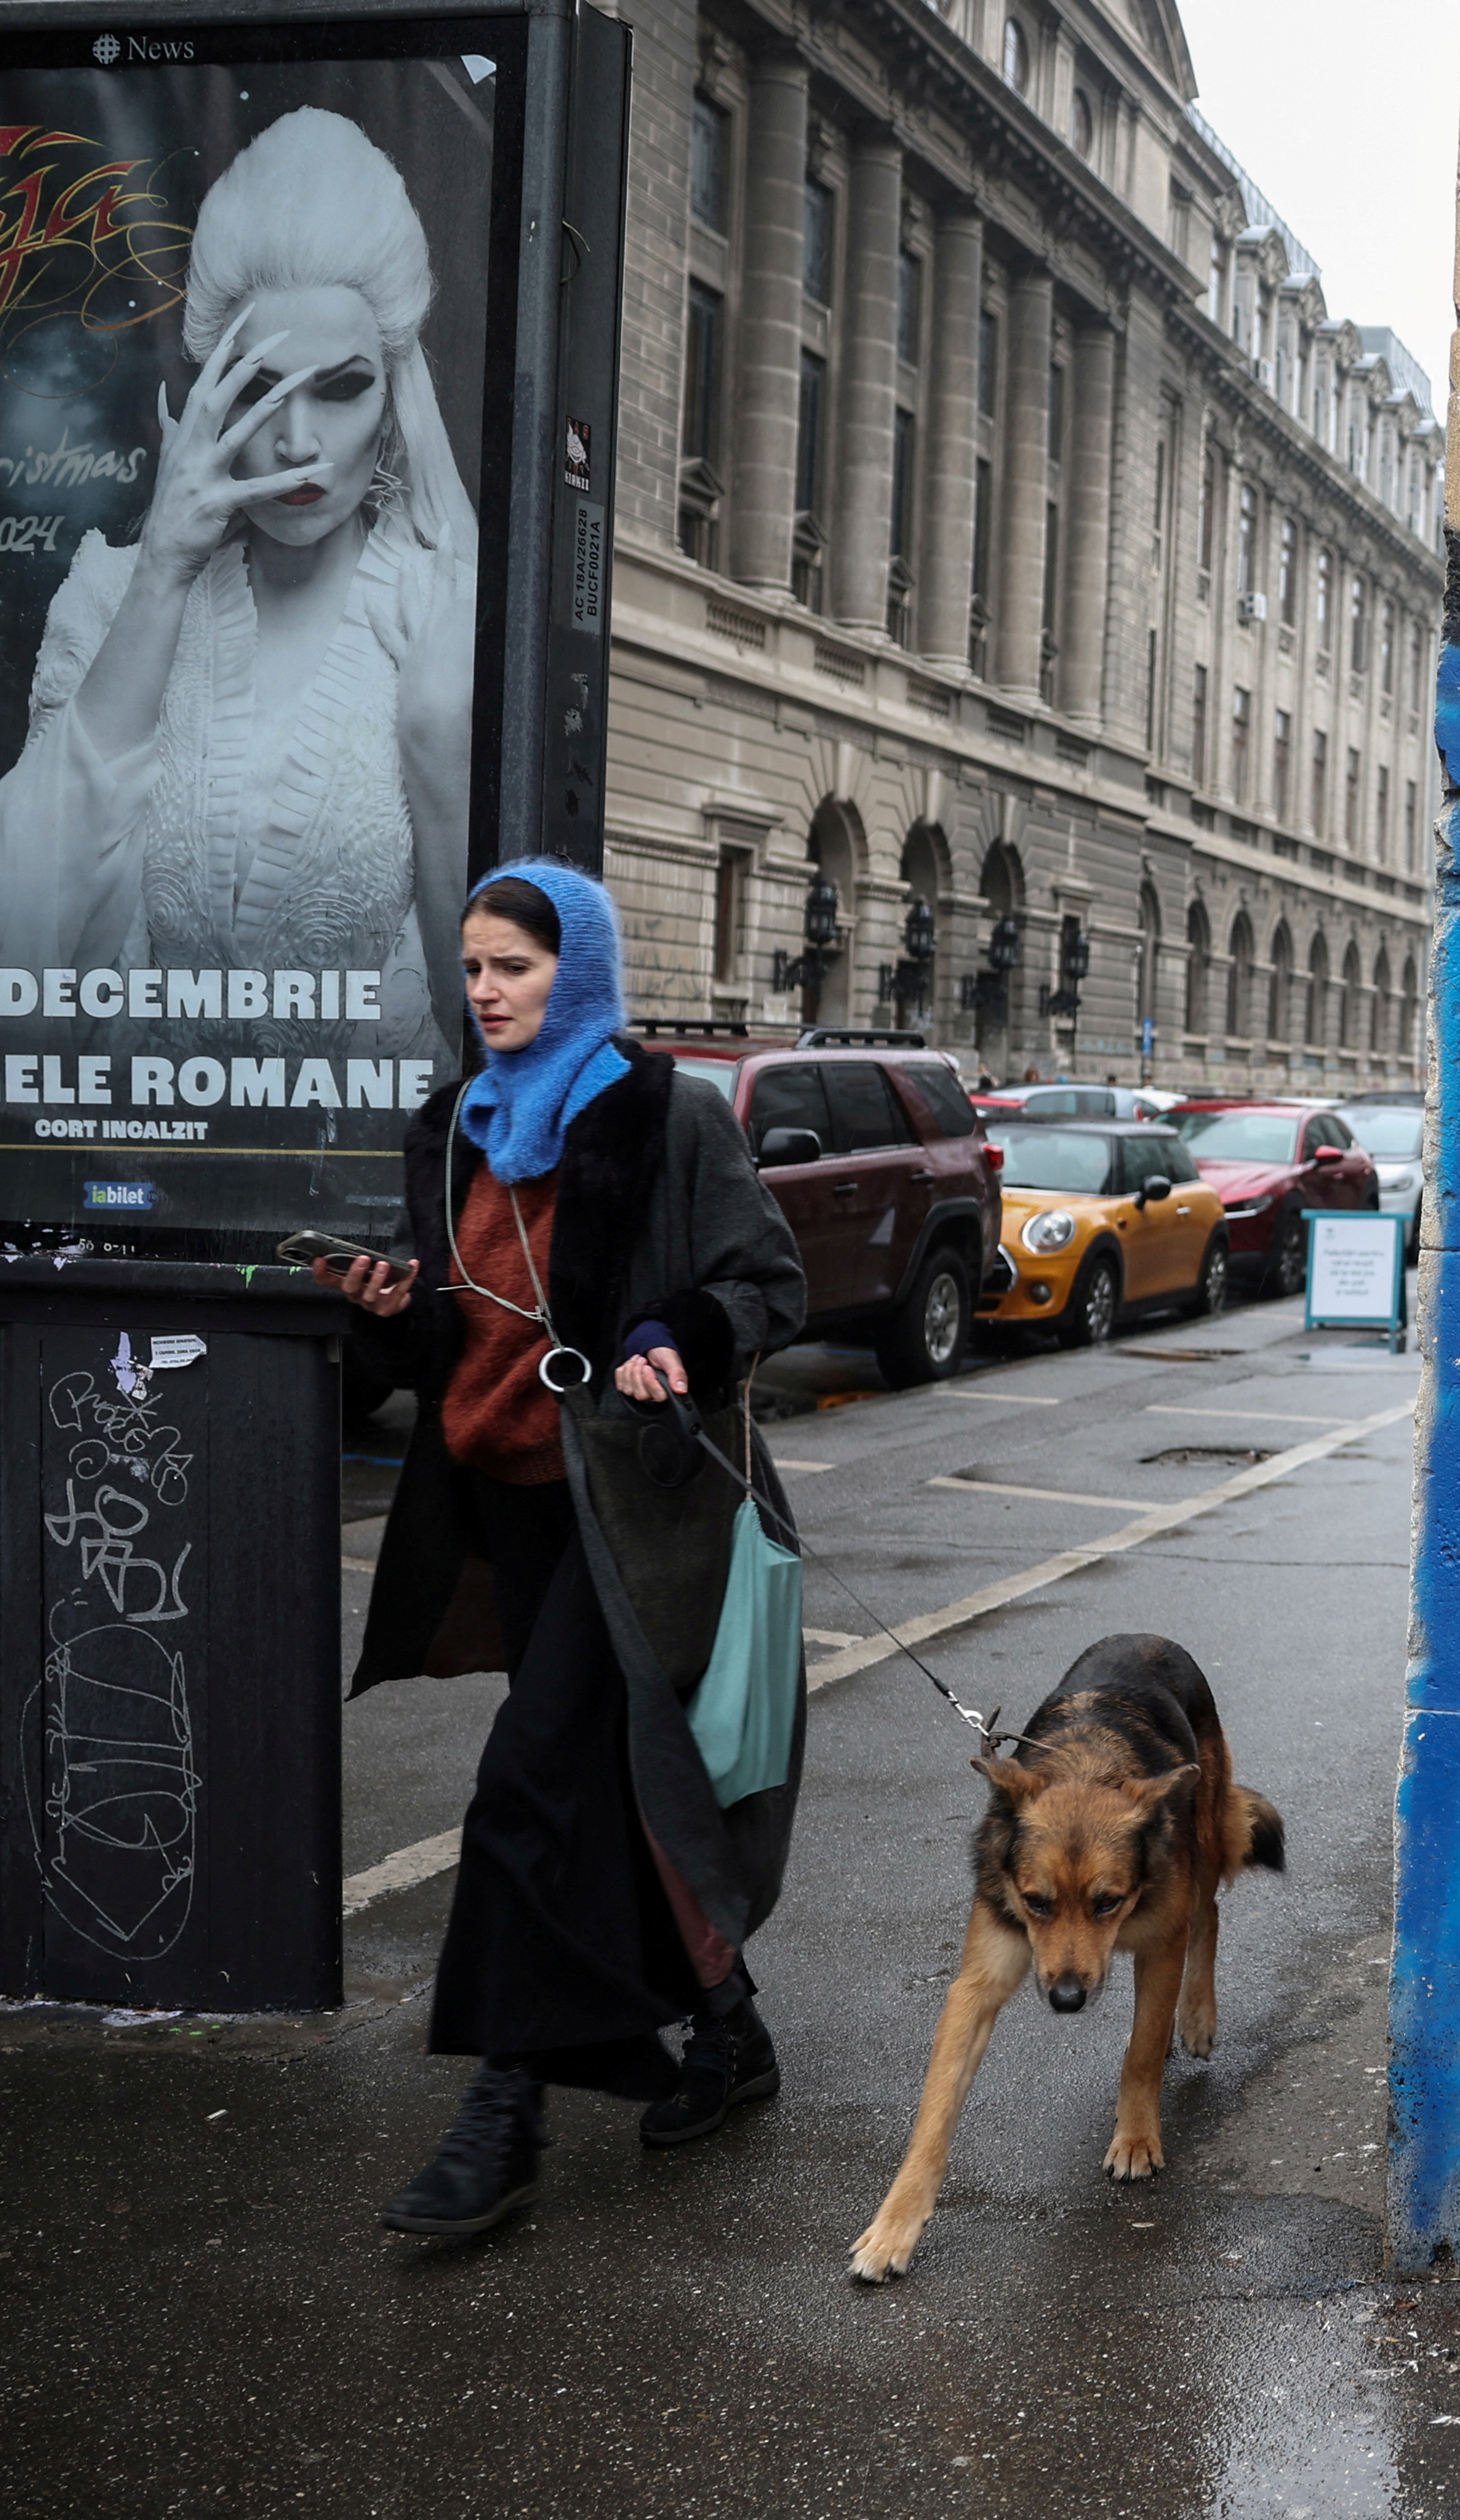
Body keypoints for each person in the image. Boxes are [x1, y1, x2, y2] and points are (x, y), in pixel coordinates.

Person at [318, 862, 810, 2238]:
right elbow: (445, 1344)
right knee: (627, 1788)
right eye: (472, 968)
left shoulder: (664, 1115)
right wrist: (379, 1312)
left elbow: (768, 1283)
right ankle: (728, 2024)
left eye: (514, 967)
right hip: (507, 1507)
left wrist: (675, 1337)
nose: (486, 992)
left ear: (575, 970)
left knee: (527, 1784)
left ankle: (505, 2112)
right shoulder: (458, 1128)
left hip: (639, 1516)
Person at [0, 106, 474, 1058]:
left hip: (365, 1202)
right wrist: (166, 572)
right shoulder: (110, 597)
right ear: (212, 382)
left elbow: (492, 1040)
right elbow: (22, 949)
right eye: (260, 388)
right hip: (137, 1183)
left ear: (392, 400)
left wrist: (436, 741)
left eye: (341, 388)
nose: (297, 444)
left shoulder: (442, 617)